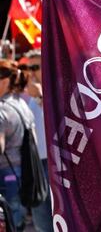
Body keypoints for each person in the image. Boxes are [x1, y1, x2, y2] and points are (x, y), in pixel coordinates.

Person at [0, 60, 32, 230]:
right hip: (21, 171)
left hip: (6, 173)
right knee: (16, 217)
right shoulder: (21, 103)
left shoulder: (2, 109)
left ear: (4, 80)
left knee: (8, 220)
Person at [23, 50, 53, 232]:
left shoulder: (55, 89)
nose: (31, 72)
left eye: (35, 67)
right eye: (28, 68)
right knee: (41, 221)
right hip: (36, 164)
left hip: (55, 163)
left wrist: (41, 97)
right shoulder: (28, 95)